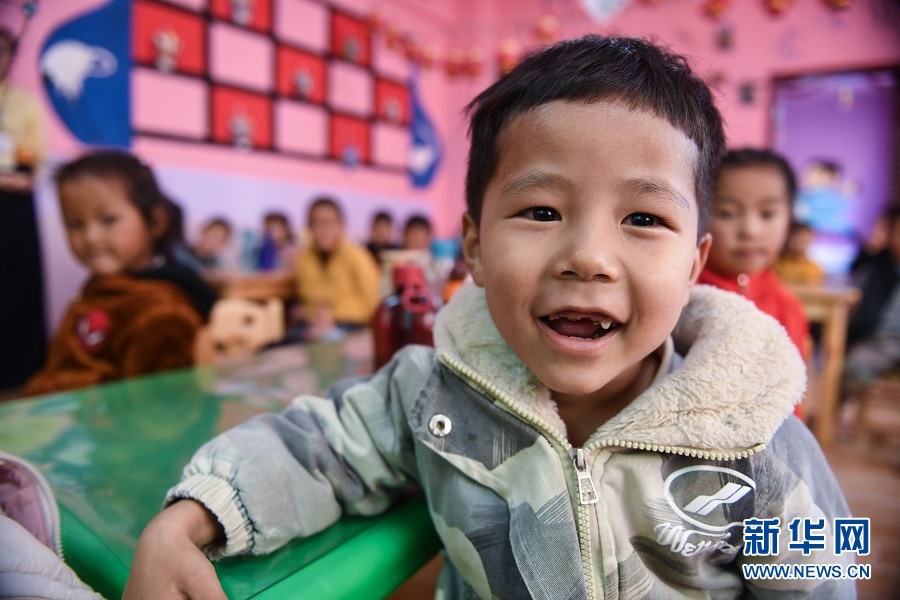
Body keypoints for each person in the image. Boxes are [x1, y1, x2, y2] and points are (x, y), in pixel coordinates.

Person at [125, 36, 853, 600]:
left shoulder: (759, 439)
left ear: (694, 265)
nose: (588, 257)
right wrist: (187, 521)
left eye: (643, 217)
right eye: (541, 211)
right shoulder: (433, 393)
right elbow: (314, 445)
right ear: (473, 247)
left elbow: (826, 582)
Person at [23, 151, 217, 396]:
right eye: (75, 224)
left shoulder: (161, 308)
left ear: (155, 222)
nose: (91, 237)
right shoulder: (103, 287)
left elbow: (163, 408)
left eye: (108, 220)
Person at [697, 148, 809, 356]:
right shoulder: (684, 296)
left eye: (767, 214)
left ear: (789, 219)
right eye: (727, 213)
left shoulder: (787, 307)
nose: (750, 231)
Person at [0, 25, 48, 391]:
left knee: (17, 287)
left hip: (13, 206)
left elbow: (34, 160)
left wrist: (17, 178)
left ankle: (20, 372)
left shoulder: (24, 101)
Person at [291, 197, 380, 342]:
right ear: (309, 228)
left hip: (350, 325)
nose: (323, 230)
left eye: (329, 223)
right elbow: (304, 298)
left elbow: (373, 304)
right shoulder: (304, 258)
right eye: (317, 223)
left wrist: (330, 321)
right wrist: (314, 317)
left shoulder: (357, 255)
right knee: (273, 347)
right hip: (311, 325)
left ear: (341, 225)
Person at [843, 205, 900, 395]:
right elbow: (854, 277)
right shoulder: (877, 267)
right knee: (853, 367)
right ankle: (846, 407)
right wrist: (871, 248)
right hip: (878, 341)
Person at [773, 221, 825, 286]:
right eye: (796, 236)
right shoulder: (774, 264)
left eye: (803, 237)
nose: (799, 240)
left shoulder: (815, 268)